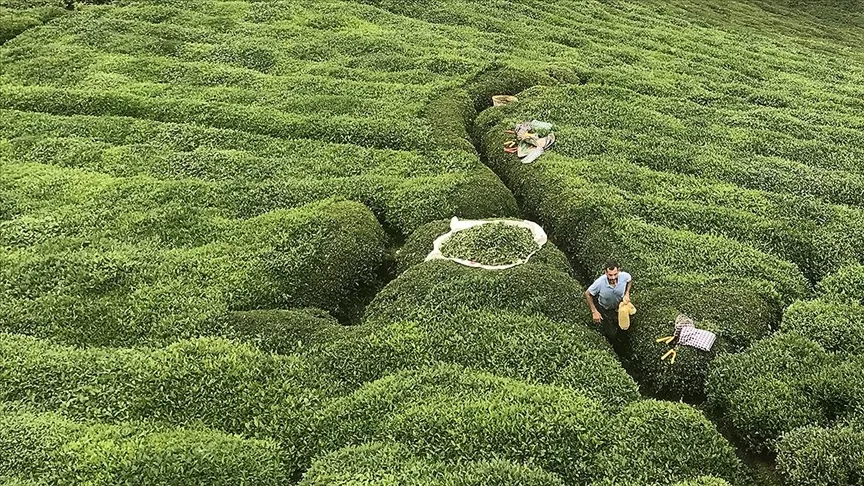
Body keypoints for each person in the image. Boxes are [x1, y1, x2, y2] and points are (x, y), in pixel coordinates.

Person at [584, 261, 632, 355]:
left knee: (624, 329)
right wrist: (594, 311)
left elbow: (629, 281)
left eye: (615, 274)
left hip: (619, 308)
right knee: (612, 334)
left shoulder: (624, 276)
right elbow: (588, 293)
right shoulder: (599, 282)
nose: (613, 277)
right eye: (610, 275)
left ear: (618, 271)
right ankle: (614, 349)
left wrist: (627, 293)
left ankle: (624, 347)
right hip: (605, 309)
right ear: (605, 273)